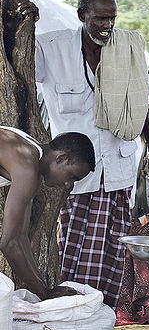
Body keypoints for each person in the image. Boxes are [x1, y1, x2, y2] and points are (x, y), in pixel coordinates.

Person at [20, 0, 149, 309]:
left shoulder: (126, 49)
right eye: (100, 18)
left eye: (112, 18)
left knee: (113, 253)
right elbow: (17, 63)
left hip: (117, 172)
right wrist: (18, 22)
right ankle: (70, 311)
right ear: (81, 16)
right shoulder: (52, 48)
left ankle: (100, 313)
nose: (107, 25)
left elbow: (138, 99)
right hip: (74, 177)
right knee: (71, 249)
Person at [0, 127, 95, 301]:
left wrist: (45, 289)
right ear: (61, 158)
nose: (68, 185)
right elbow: (8, 243)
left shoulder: (32, 162)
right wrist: (45, 295)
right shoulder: (26, 163)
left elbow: (21, 237)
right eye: (71, 176)